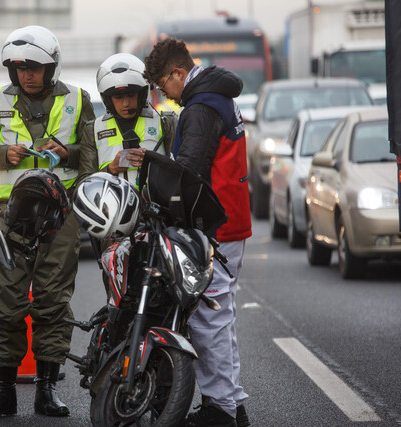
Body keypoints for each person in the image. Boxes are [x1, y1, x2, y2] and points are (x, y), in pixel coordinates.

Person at [0, 25, 95, 420]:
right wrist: (4, 154)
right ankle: (1, 393)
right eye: (20, 67)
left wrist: (69, 152)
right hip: (13, 218)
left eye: (35, 67)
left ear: (51, 66)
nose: (27, 74)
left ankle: (47, 390)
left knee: (53, 303)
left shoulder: (79, 99)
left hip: (61, 216)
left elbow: (91, 156)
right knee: (5, 303)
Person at [144, 39, 252, 427]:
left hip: (214, 225)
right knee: (221, 316)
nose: (162, 94)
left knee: (209, 318)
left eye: (161, 84)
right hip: (229, 220)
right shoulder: (215, 94)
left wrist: (154, 176)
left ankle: (220, 410)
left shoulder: (202, 106)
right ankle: (231, 403)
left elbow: (189, 171)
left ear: (177, 73)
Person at [78, 52, 176, 187]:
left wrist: (154, 162)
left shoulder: (166, 121)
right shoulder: (93, 129)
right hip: (111, 206)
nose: (125, 104)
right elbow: (84, 182)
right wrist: (111, 168)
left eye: (130, 95)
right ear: (107, 99)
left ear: (142, 94)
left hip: (156, 205)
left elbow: (181, 169)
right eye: (118, 98)